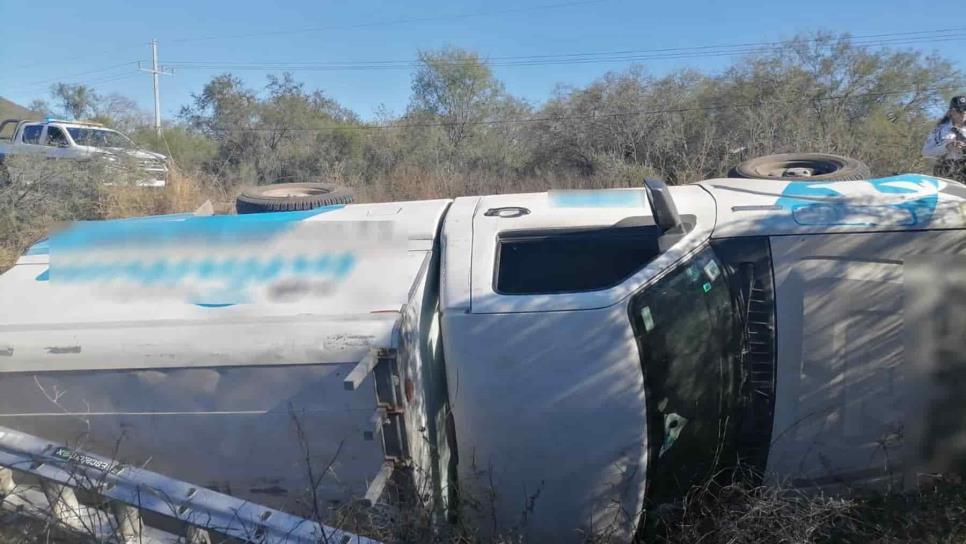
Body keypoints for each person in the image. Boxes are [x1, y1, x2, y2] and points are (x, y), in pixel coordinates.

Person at [923, 95, 966, 180]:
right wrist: (946, 147)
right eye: (962, 111)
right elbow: (926, 152)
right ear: (952, 112)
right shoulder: (940, 130)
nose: (965, 114)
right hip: (945, 168)